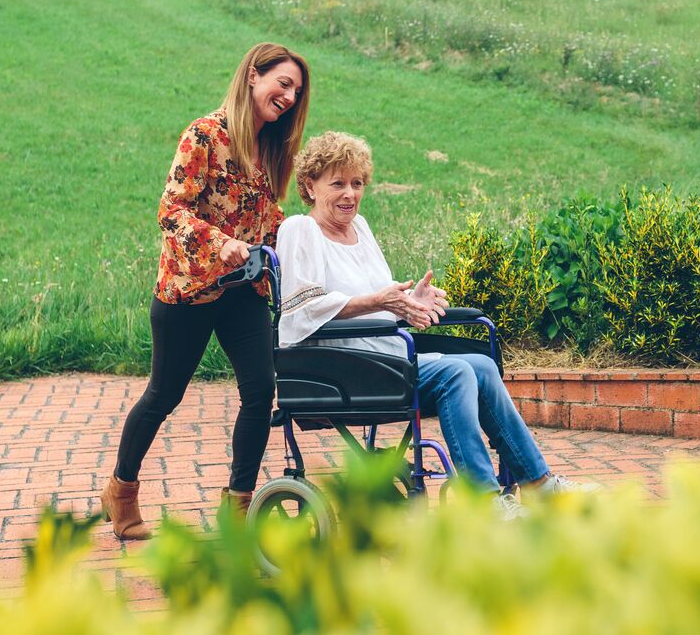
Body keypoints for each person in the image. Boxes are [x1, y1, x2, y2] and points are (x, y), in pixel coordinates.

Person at [276, 131, 596, 520]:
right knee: (456, 371)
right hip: (341, 366)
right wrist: (381, 301)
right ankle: (484, 501)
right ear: (310, 184)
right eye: (338, 183)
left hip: (385, 355)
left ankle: (539, 485)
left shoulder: (360, 229)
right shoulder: (299, 229)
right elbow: (302, 311)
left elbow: (378, 302)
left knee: (481, 365)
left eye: (357, 183)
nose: (350, 194)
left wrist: (409, 305)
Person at [100, 43, 310, 540]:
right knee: (164, 395)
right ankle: (121, 490)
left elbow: (266, 219)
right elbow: (171, 212)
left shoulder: (272, 149)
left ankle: (236, 510)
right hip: (189, 290)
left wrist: (307, 237)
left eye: (296, 92)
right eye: (282, 83)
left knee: (260, 391)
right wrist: (223, 245)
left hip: (244, 293)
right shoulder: (205, 134)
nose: (288, 97)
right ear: (253, 75)